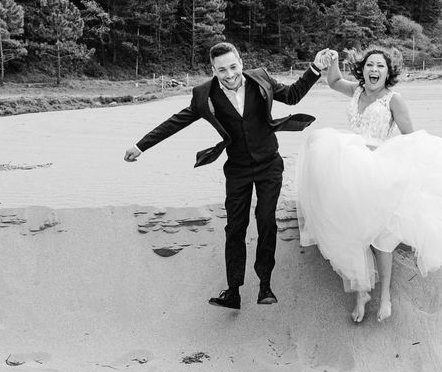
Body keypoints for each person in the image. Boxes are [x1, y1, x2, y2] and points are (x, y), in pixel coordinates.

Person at [125, 42, 331, 310]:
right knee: (235, 227)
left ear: (241, 64)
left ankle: (265, 284)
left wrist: (315, 67)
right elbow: (176, 122)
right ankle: (232, 291)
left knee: (266, 220)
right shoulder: (204, 95)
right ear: (213, 70)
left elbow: (292, 96)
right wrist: (141, 146)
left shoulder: (261, 79)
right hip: (237, 169)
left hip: (270, 164)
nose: (229, 74)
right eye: (222, 70)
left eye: (233, 67)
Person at [297, 47, 442, 323]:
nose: (374, 69)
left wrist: (413, 167)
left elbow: (411, 137)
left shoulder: (394, 100)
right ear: (363, 69)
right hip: (350, 170)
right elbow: (333, 82)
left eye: (380, 66)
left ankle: (385, 296)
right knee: (351, 230)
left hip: (378, 168)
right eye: (370, 64)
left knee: (382, 237)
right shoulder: (356, 91)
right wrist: (332, 62)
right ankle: (360, 291)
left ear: (388, 72)